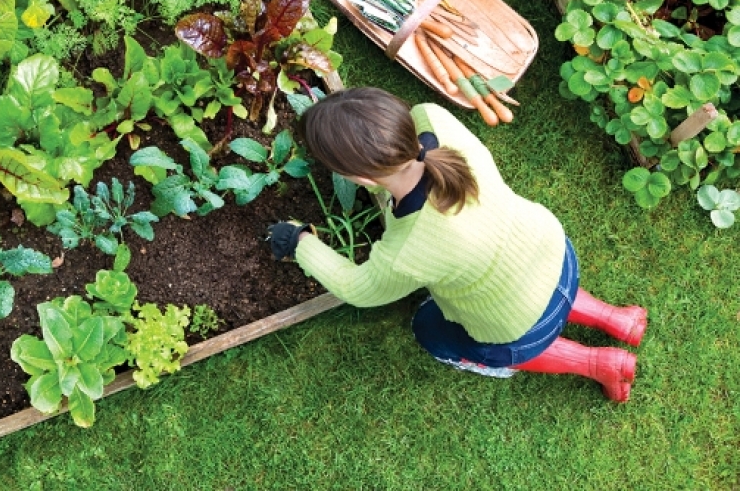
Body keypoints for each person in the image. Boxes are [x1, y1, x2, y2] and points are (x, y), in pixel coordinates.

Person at [267, 87, 647, 402]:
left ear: (362, 179)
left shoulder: (409, 250)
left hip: (518, 324)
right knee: (534, 285)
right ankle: (618, 319)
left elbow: (357, 288)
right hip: (552, 252)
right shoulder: (434, 119)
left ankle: (598, 364)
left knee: (429, 330)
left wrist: (299, 241)